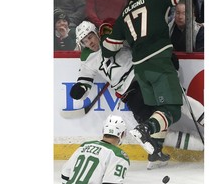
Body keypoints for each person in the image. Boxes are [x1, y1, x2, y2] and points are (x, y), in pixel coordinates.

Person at [100, 0, 193, 155]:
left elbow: (107, 49)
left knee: (158, 111)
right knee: (172, 109)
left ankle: (155, 151)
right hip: (159, 62)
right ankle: (145, 129)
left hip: (140, 71)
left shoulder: (122, 18)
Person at [70, 20, 170, 169]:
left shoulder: (111, 39)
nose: (89, 42)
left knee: (154, 114)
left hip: (140, 77)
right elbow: (85, 79)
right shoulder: (88, 59)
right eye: (85, 41)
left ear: (96, 33)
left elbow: (134, 41)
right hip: (126, 91)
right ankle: (155, 150)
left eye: (90, 37)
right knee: (146, 117)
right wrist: (81, 88)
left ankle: (153, 146)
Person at [61, 114, 130, 184]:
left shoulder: (84, 146)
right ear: (122, 134)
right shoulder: (118, 155)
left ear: (104, 130)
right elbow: (112, 182)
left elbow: (65, 174)